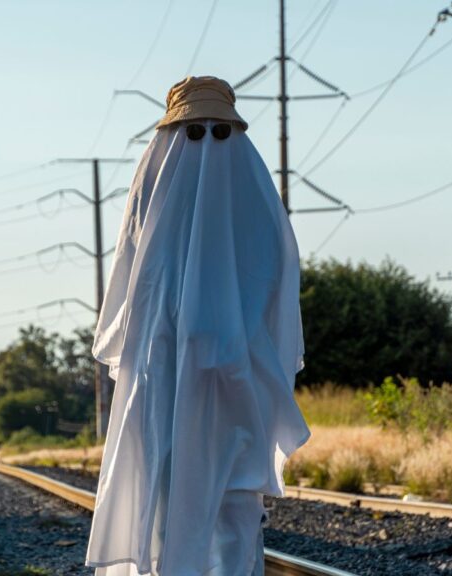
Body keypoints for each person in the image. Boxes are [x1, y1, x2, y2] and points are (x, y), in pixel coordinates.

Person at [85, 76, 311, 576]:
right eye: (194, 132)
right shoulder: (243, 178)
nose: (207, 143)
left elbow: (127, 283)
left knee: (213, 499)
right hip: (199, 375)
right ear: (175, 132)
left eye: (218, 132)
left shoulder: (160, 179)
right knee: (192, 497)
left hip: (206, 375)